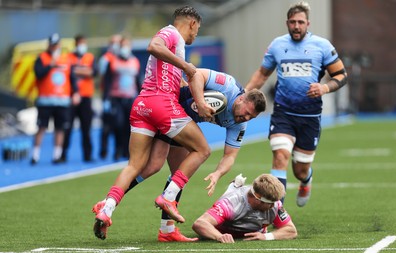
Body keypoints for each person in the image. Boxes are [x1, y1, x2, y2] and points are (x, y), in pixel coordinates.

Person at [92, 68, 267, 241]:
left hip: (176, 118)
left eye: (251, 117)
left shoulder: (239, 124)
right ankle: (165, 205)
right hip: (171, 108)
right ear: (241, 98)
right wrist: (199, 102)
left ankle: (111, 204)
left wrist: (217, 173)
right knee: (200, 151)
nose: (245, 118)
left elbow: (230, 156)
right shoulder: (228, 85)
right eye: (246, 113)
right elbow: (196, 73)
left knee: (162, 168)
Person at [93, 6, 214, 240]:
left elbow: (174, 80)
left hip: (142, 106)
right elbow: (153, 46)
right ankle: (168, 200)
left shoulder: (175, 46)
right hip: (161, 105)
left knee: (144, 165)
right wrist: (187, 67)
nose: (195, 36)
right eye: (196, 31)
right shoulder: (171, 34)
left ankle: (107, 207)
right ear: (191, 23)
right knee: (202, 149)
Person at [245, 1, 348, 207]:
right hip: (283, 113)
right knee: (280, 156)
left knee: (299, 170)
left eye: (301, 22)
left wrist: (324, 88)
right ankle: (277, 211)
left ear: (308, 23)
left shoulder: (322, 46)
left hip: (310, 116)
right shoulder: (277, 45)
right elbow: (262, 74)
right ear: (287, 23)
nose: (297, 26)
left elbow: (341, 75)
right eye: (293, 22)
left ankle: (306, 180)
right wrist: (244, 94)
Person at [192, 173, 297, 243]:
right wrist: (219, 236)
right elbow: (200, 223)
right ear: (258, 199)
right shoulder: (232, 203)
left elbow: (291, 230)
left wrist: (266, 236)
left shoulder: (275, 205)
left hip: (256, 233)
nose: (273, 206)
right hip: (224, 231)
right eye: (269, 203)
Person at [30, 33, 80, 165]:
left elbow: (72, 78)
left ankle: (57, 155)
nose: (54, 47)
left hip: (62, 101)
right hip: (45, 101)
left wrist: (76, 92)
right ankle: (35, 155)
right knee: (41, 127)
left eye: (56, 44)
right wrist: (50, 65)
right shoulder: (42, 58)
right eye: (52, 44)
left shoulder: (66, 59)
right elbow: (38, 74)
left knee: (60, 128)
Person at [102, 37, 142, 160]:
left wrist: (141, 97)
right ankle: (118, 149)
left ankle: (127, 150)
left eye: (127, 45)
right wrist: (105, 99)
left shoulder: (134, 61)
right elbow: (107, 81)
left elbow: (137, 81)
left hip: (130, 98)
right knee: (118, 124)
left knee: (129, 126)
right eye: (123, 45)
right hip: (116, 98)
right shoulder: (113, 61)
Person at [61, 34, 97, 163]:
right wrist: (84, 71)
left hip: (86, 97)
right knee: (67, 127)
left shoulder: (89, 57)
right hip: (70, 96)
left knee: (86, 128)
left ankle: (87, 155)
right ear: (76, 44)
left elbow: (93, 72)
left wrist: (75, 70)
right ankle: (62, 154)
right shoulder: (68, 57)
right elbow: (67, 71)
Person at [98, 34, 121, 159]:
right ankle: (103, 150)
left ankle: (119, 150)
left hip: (120, 95)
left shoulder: (122, 58)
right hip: (109, 95)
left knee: (119, 124)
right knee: (106, 125)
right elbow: (103, 76)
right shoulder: (106, 59)